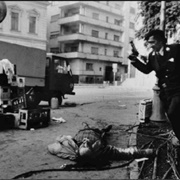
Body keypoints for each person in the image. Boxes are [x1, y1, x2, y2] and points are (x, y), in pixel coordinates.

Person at [128, 29, 180, 144]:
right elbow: (147, 70)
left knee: (173, 112)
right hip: (165, 92)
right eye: (149, 43)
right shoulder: (152, 56)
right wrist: (134, 60)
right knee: (171, 116)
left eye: (152, 42)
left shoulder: (175, 49)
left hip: (178, 89)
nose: (150, 45)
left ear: (160, 41)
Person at [48, 123, 155, 166]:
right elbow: (125, 153)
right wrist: (146, 152)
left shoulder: (71, 149)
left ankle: (102, 130)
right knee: (102, 134)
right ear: (95, 150)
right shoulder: (102, 150)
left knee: (94, 130)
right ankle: (104, 130)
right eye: (88, 145)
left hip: (84, 132)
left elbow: (51, 147)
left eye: (84, 145)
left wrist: (63, 139)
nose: (86, 142)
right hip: (96, 135)